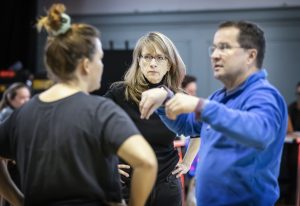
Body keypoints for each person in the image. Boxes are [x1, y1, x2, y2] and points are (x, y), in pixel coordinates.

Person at [0, 4, 157, 206]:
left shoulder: (22, 115)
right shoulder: (100, 111)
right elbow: (146, 162)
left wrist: (18, 200)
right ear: (85, 65)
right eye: (100, 58)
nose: (101, 65)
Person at [139, 21, 288, 206]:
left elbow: (258, 131)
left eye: (224, 47)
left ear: (251, 55)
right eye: (214, 48)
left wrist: (202, 106)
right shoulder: (219, 97)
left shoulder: (264, 96)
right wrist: (165, 100)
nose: (215, 55)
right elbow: (187, 125)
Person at [105, 31, 200, 206]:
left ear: (170, 64)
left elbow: (198, 131)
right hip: (127, 186)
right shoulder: (119, 93)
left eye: (160, 58)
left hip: (166, 186)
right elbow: (93, 128)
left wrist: (187, 163)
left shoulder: (178, 97)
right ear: (139, 61)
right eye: (147, 57)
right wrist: (105, 164)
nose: (153, 64)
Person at [0, 82, 31, 206]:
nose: (26, 101)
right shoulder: (9, 115)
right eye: (22, 98)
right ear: (10, 98)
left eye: (28, 97)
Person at [181, 75, 199, 206]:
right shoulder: (170, 110)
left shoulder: (196, 109)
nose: (193, 95)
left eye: (195, 92)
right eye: (190, 91)